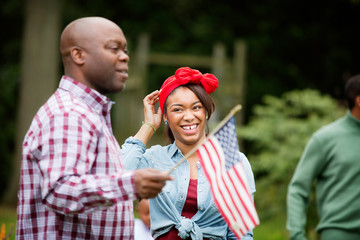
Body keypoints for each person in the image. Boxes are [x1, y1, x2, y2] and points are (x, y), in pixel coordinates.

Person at [16, 17, 172, 239]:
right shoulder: (69, 114)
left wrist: (148, 128)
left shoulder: (87, 113)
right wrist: (131, 183)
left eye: (125, 50)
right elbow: (59, 189)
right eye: (114, 48)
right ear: (78, 55)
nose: (125, 56)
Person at [122, 67, 256, 239]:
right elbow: (119, 174)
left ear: (206, 111)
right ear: (165, 116)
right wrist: (148, 126)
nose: (189, 116)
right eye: (178, 109)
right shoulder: (154, 159)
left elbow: (241, 232)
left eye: (196, 107)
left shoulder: (233, 160)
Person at [286, 74, 360, 240]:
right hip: (339, 234)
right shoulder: (326, 138)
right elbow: (298, 189)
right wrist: (297, 234)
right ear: (358, 100)